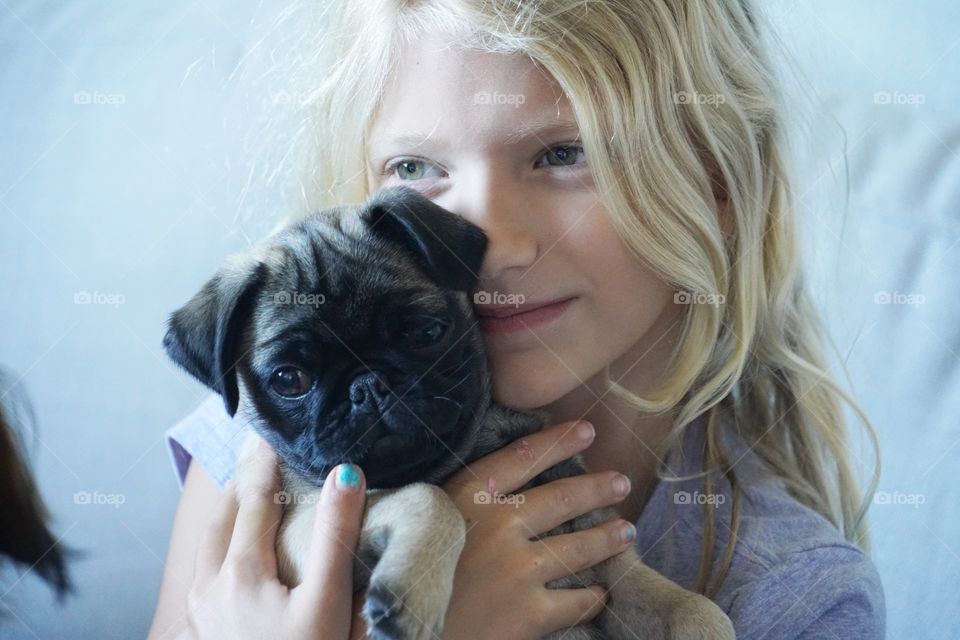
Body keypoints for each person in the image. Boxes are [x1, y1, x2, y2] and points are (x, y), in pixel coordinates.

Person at [150, 1, 886, 638]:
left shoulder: (793, 596)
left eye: (565, 154)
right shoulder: (265, 436)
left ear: (718, 183)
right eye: (414, 169)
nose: (488, 242)